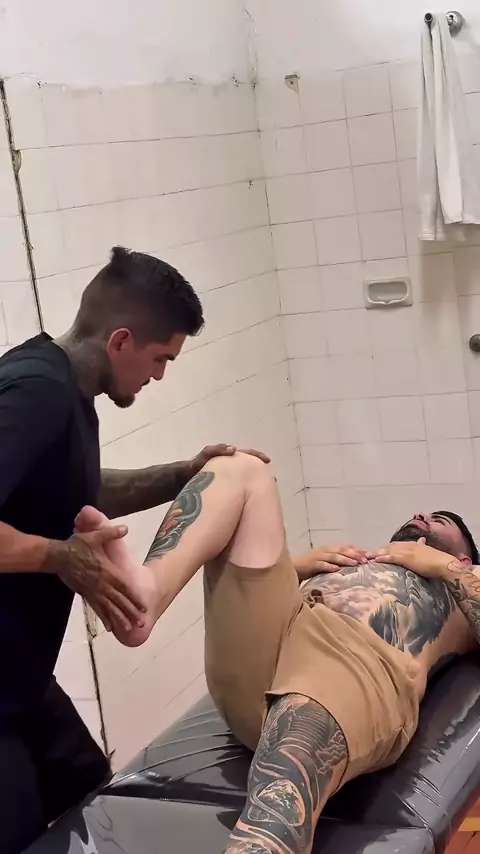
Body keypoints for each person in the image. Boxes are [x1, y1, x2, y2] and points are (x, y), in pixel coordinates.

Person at [0, 246, 268, 854]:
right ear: (121, 340)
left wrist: (181, 475)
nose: (160, 376)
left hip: (21, 678)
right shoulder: (38, 392)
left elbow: (76, 487)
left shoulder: (65, 390)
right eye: (160, 359)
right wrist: (57, 556)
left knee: (93, 796)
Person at [76, 452, 480, 854]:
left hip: (356, 662)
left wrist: (445, 568)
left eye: (439, 521)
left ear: (463, 554)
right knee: (242, 468)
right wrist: (295, 568)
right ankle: (144, 593)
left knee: (279, 794)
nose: (422, 515)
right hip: (278, 639)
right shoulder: (358, 558)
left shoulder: (459, 581)